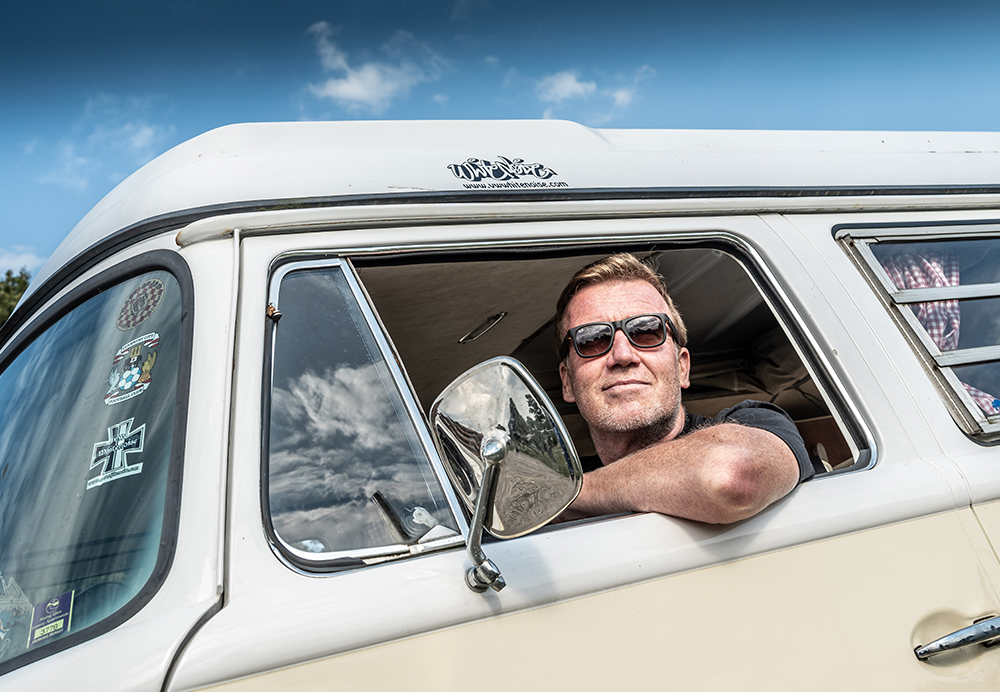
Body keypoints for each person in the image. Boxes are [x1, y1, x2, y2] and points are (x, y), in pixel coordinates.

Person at [555, 253, 813, 524]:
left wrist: (572, 496)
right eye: (592, 339)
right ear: (568, 382)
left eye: (646, 331)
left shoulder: (758, 424)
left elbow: (729, 476)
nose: (622, 355)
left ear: (682, 368)